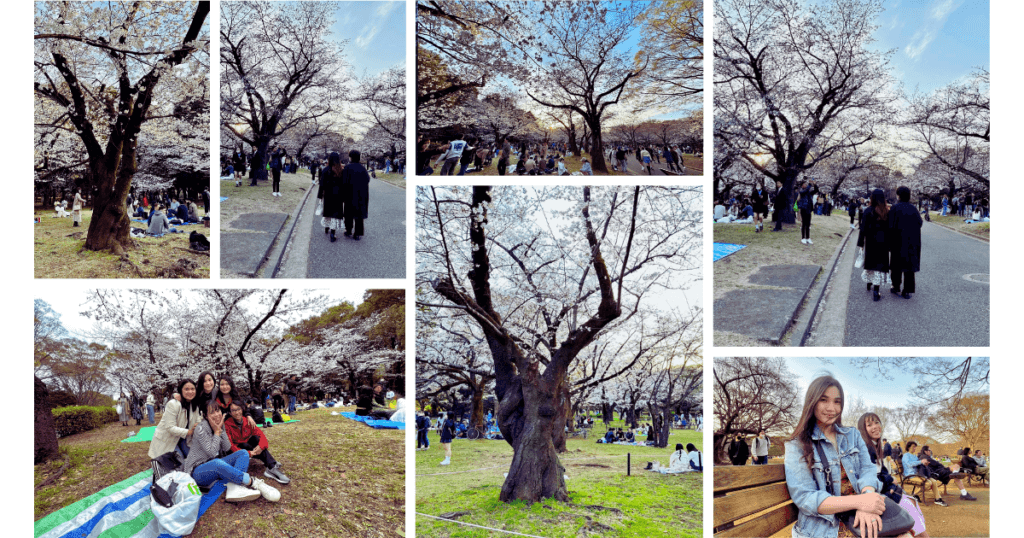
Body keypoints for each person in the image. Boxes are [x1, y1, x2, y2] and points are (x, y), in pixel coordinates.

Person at [783, 375, 888, 538]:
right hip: (823, 527)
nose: (831, 408)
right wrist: (860, 502)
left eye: (837, 402)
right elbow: (806, 498)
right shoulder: (796, 444)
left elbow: (867, 468)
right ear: (812, 401)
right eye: (824, 400)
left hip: (859, 514)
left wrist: (867, 496)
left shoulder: (852, 435)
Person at [182, 393, 280, 503]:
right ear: (205, 415)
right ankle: (253, 482)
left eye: (218, 410)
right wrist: (217, 432)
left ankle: (234, 488)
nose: (217, 414)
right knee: (217, 463)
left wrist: (221, 428)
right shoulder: (200, 428)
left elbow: (227, 447)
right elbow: (211, 452)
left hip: (215, 467)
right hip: (197, 472)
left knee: (243, 453)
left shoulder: (219, 424)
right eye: (212, 412)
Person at [857, 413, 930, 538]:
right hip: (879, 493)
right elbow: (870, 476)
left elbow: (882, 469)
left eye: (876, 423)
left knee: (912, 502)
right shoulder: (866, 448)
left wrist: (890, 479)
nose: (875, 427)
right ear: (863, 430)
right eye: (869, 425)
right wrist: (890, 481)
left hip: (886, 489)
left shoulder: (875, 445)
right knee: (911, 511)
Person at [225, 401, 291, 484]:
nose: (237, 412)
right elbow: (230, 445)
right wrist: (249, 453)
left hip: (247, 445)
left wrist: (261, 446)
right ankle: (270, 462)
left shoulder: (248, 421)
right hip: (238, 450)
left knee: (256, 438)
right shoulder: (227, 424)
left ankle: (271, 467)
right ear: (230, 413)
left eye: (238, 409)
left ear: (242, 410)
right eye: (233, 410)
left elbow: (261, 435)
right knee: (244, 444)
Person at [149, 379, 202, 461]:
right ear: (181, 390)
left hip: (183, 439)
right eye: (186, 389)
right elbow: (170, 427)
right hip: (168, 439)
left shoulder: (194, 405)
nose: (190, 392)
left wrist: (198, 424)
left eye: (192, 389)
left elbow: (198, 419)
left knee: (195, 459)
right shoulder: (173, 404)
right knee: (180, 465)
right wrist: (189, 432)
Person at [887, 186, 923, 300]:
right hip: (912, 242)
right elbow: (920, 223)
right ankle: (907, 290)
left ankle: (896, 286)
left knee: (896, 265)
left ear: (898, 196)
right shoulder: (913, 209)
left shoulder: (894, 208)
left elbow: (890, 226)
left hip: (897, 241)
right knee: (909, 267)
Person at [857, 189, 891, 302]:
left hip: (871, 242)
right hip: (883, 243)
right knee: (879, 267)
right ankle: (876, 291)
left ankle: (868, 283)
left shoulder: (868, 211)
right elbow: (890, 229)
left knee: (871, 264)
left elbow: (863, 229)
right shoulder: (886, 211)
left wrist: (861, 243)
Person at [901, 442, 949, 506]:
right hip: (910, 476)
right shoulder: (906, 455)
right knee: (928, 484)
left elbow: (918, 464)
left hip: (917, 475)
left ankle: (937, 499)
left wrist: (924, 463)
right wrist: (920, 461)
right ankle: (913, 496)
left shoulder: (914, 455)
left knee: (934, 481)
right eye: (913, 446)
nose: (915, 448)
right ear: (908, 447)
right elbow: (909, 464)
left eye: (915, 446)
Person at [342, 150, 371, 241]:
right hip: (361, 195)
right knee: (359, 214)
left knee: (348, 213)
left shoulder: (347, 168)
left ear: (351, 157)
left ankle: (349, 230)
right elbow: (367, 180)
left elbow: (344, 182)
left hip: (349, 195)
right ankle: (358, 233)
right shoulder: (363, 168)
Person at [318, 152, 345, 242]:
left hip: (328, 195)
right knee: (335, 214)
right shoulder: (341, 171)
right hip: (338, 196)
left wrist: (320, 195)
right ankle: (333, 233)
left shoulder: (326, 170)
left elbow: (321, 184)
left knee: (328, 212)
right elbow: (344, 185)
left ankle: (326, 228)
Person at [796, 179, 819, 244]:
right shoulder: (801, 191)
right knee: (804, 223)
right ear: (802, 185)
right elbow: (805, 191)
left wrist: (814, 184)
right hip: (803, 208)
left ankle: (808, 238)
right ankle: (803, 238)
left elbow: (816, 190)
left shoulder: (808, 192)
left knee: (808, 224)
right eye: (804, 184)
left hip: (808, 209)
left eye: (806, 184)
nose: (805, 185)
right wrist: (809, 184)